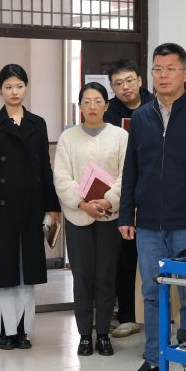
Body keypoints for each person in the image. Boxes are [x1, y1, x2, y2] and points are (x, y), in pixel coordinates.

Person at [117, 43, 186, 371]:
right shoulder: (141, 117)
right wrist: (126, 214)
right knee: (152, 292)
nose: (163, 75)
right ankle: (154, 359)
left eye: (170, 69)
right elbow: (131, 169)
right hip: (148, 223)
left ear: (185, 74)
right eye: (157, 69)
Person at [0, 64, 61, 350]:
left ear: (26, 88)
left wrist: (52, 205)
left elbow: (45, 168)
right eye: (8, 86)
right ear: (0, 89)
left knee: (25, 273)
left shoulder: (37, 124)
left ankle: (23, 330)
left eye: (19, 86)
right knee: (3, 272)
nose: (14, 92)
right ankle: (3, 331)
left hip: (31, 207)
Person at [54, 82, 128, 356]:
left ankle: (103, 333)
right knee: (82, 276)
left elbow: (126, 174)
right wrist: (83, 203)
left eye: (98, 101)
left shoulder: (120, 136)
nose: (92, 106)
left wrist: (107, 200)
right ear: (80, 106)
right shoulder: (68, 138)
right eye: (87, 101)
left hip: (110, 215)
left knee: (106, 276)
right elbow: (61, 177)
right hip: (78, 216)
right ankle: (85, 334)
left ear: (106, 105)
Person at [103, 59, 153, 338]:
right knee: (124, 256)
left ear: (140, 80)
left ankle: (161, 315)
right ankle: (126, 316)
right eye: (118, 83)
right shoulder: (108, 111)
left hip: (151, 189)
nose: (125, 87)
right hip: (120, 190)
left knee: (154, 257)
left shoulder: (156, 105)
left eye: (130, 80)